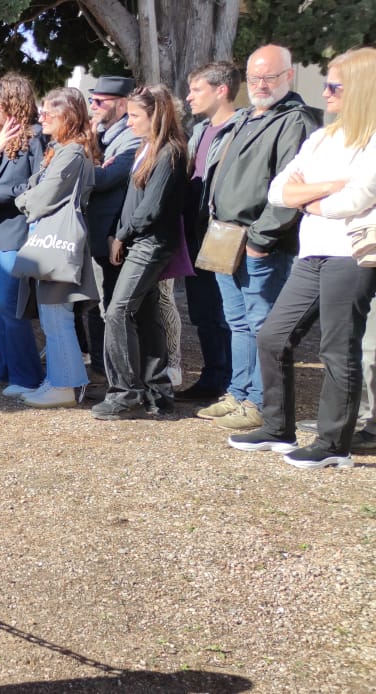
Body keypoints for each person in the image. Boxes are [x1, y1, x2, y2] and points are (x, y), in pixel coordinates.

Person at [230, 47, 376, 468]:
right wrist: (328, 187)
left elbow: (357, 198)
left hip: (350, 254)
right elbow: (278, 191)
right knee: (273, 336)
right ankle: (278, 428)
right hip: (312, 253)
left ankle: (334, 445)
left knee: (337, 349)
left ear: (361, 90)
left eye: (335, 85)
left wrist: (308, 197)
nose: (325, 92)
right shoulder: (322, 136)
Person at [198, 45, 322, 430]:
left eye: (269, 76)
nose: (260, 84)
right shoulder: (248, 117)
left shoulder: (295, 120)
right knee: (236, 322)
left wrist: (261, 239)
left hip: (259, 242)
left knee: (260, 324)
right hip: (225, 236)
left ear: (289, 75)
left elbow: (290, 187)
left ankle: (259, 402)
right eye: (254, 77)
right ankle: (239, 392)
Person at [87, 86, 189, 419]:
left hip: (150, 243)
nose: (129, 122)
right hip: (137, 241)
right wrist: (120, 233)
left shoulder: (169, 152)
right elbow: (133, 203)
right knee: (145, 315)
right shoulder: (147, 148)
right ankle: (157, 392)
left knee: (117, 312)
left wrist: (121, 235)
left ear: (155, 116)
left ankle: (124, 392)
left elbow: (151, 208)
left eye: (134, 116)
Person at [12, 88, 101, 408]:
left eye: (50, 112)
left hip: (58, 243)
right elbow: (36, 188)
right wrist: (27, 196)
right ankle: (60, 380)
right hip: (52, 242)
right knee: (53, 317)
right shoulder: (63, 150)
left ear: (70, 117)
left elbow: (41, 195)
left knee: (56, 317)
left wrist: (22, 200)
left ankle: (65, 386)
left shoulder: (72, 153)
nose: (42, 117)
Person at [0, 73, 47, 396]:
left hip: (16, 236)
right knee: (1, 311)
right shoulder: (1, 141)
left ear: (11, 104)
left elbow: (39, 185)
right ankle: (4, 368)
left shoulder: (36, 138)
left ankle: (27, 376)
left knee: (12, 309)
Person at [179, 62, 240, 403]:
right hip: (195, 233)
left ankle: (235, 382)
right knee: (203, 313)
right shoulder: (199, 132)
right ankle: (213, 376)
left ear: (221, 90)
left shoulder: (241, 129)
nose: (189, 97)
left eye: (196, 90)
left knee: (229, 313)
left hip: (224, 235)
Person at [80, 76, 141, 382]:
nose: (93, 107)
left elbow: (104, 180)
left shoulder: (131, 137)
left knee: (112, 311)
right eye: (92, 100)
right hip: (95, 233)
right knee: (95, 306)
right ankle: (103, 373)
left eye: (99, 102)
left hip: (114, 235)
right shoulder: (100, 134)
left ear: (121, 104)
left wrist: (78, 162)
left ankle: (121, 378)